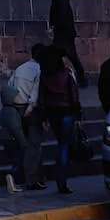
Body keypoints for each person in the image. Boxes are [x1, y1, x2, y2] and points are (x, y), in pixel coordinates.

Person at [37, 42, 82, 195]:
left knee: (61, 143)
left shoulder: (45, 76)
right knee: (64, 145)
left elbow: (41, 99)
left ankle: (60, 178)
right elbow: (74, 95)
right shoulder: (67, 74)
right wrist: (78, 113)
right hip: (67, 112)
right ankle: (62, 180)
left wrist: (44, 117)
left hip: (52, 113)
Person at [0, 43, 44, 195]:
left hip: (15, 107)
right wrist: (30, 108)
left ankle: (19, 175)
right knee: (33, 144)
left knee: (21, 144)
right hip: (28, 109)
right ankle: (31, 178)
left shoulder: (20, 68)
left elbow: (10, 86)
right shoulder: (39, 70)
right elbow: (36, 92)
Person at [45, 0, 86, 81]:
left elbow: (61, 17)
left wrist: (54, 27)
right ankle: (75, 78)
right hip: (64, 34)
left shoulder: (60, 0)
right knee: (67, 56)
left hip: (63, 35)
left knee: (68, 56)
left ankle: (79, 78)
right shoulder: (59, 0)